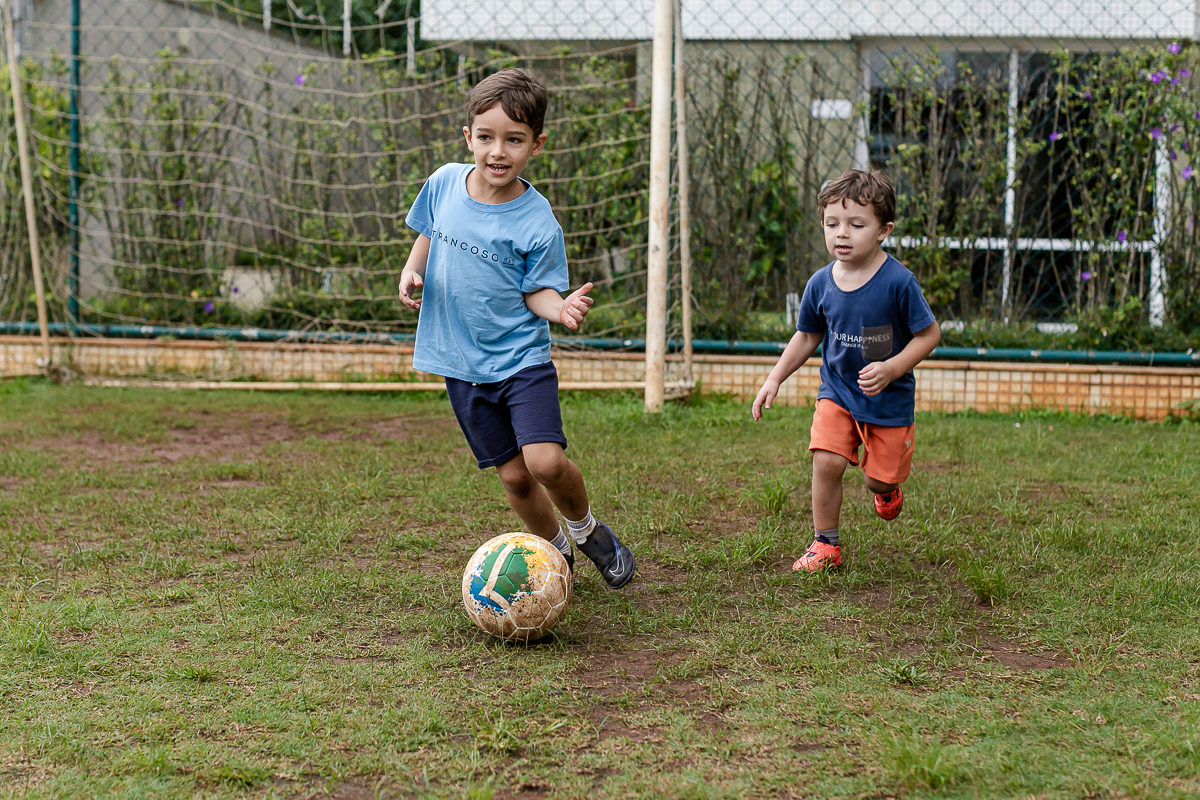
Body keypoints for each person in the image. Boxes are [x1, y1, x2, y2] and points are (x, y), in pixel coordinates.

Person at [397, 68, 635, 589]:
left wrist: (561, 310)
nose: (497, 151)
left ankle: (587, 529)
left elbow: (537, 291)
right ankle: (552, 556)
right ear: (468, 137)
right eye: (486, 138)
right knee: (512, 476)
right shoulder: (443, 184)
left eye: (514, 140)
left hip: (521, 359)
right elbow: (427, 235)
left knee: (545, 462)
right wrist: (413, 269)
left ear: (537, 144)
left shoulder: (537, 220)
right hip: (460, 362)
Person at [751, 169, 941, 572]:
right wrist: (774, 377)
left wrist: (891, 368)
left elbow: (929, 335)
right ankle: (826, 544)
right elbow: (806, 337)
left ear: (883, 230)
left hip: (887, 400)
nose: (842, 234)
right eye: (832, 223)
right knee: (827, 460)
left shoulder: (899, 283)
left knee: (878, 480)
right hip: (837, 390)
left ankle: (887, 491)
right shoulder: (820, 284)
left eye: (856, 225)